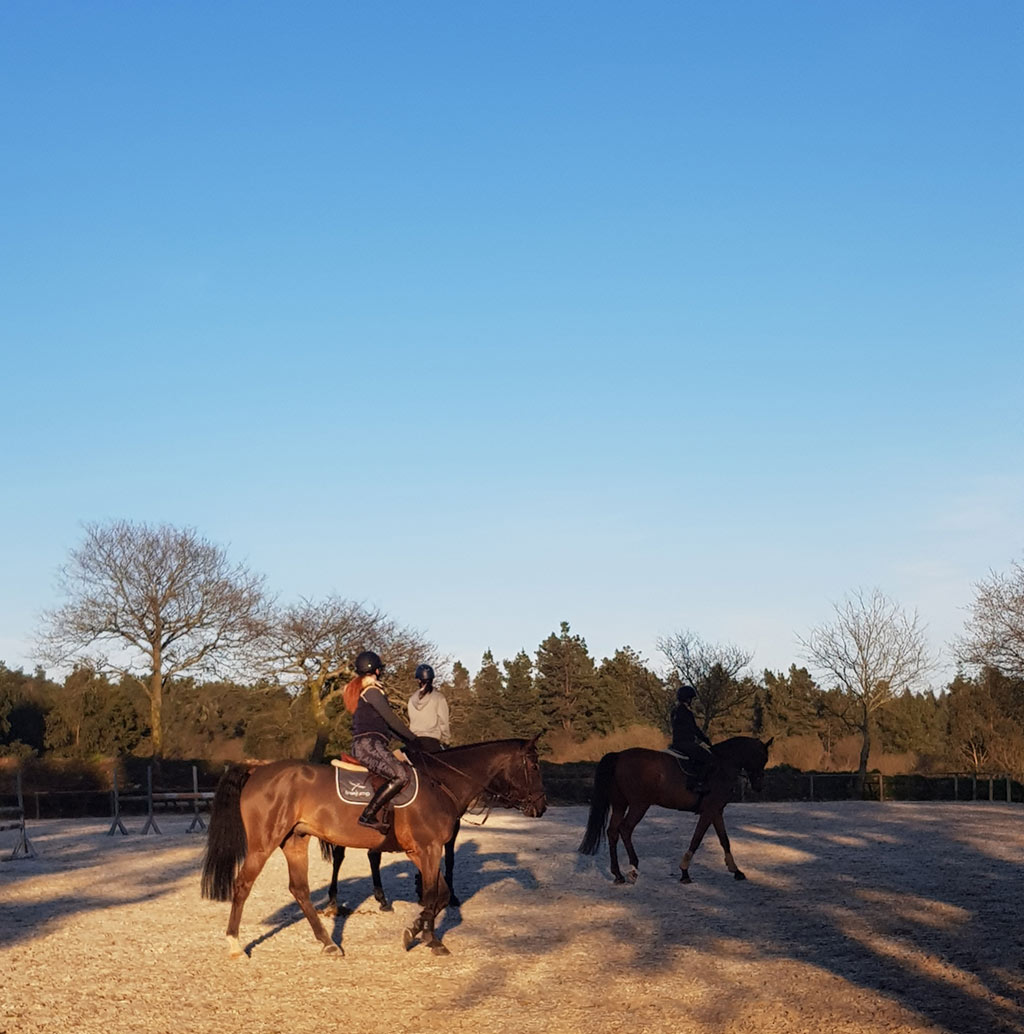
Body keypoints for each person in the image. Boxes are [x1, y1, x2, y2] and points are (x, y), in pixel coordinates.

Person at [342, 650, 420, 834]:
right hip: (369, 745)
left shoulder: (364, 691)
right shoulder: (372, 692)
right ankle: (367, 815)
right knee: (401, 774)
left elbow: (388, 727)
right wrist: (414, 739)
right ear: (377, 671)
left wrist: (408, 742)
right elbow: (392, 720)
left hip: (370, 744)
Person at [668, 684, 716, 792]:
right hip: (686, 743)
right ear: (688, 698)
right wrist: (706, 740)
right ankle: (698, 783)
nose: (692, 701)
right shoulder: (686, 712)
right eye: (692, 699)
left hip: (676, 742)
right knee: (708, 758)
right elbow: (694, 729)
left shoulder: (674, 711)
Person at [407, 663, 450, 754]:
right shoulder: (439, 698)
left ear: (418, 680)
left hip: (414, 743)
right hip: (432, 742)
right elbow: (443, 722)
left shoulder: (411, 700)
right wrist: (446, 741)